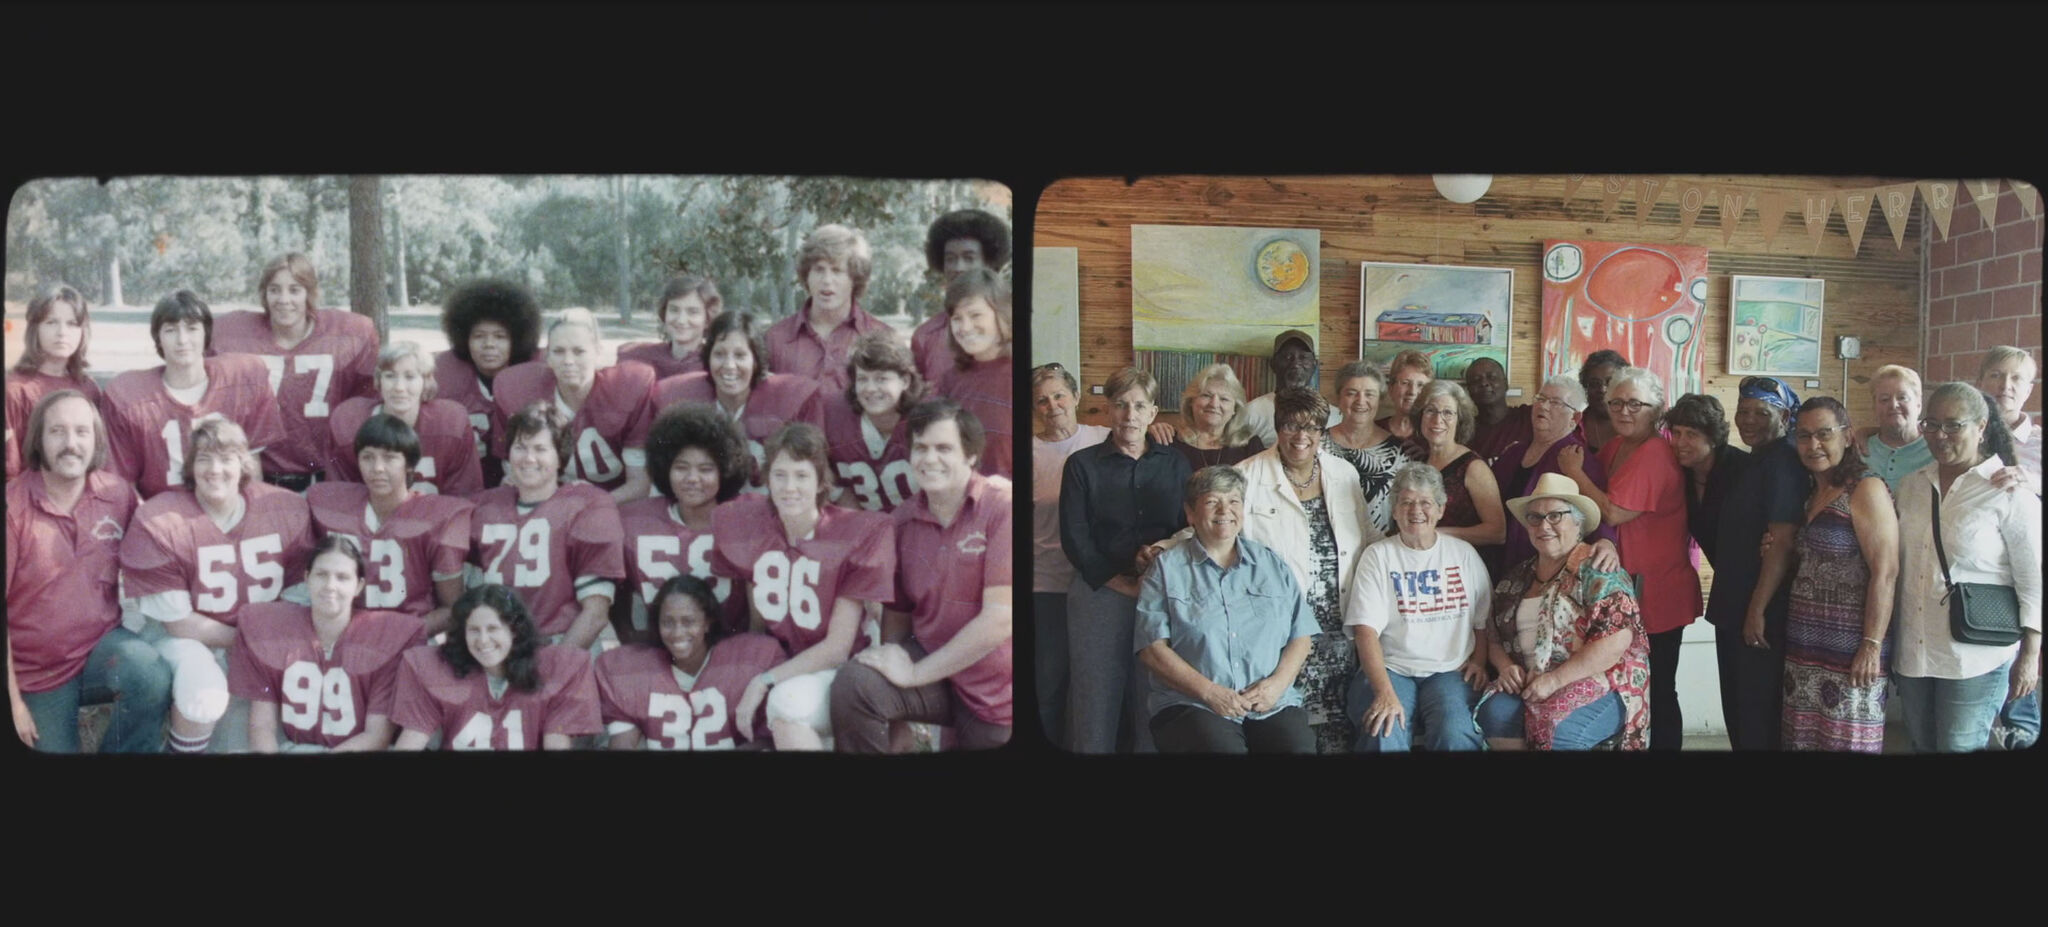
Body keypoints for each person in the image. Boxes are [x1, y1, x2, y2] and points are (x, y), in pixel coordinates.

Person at [119, 418, 315, 754]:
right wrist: (253, 645)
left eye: (226, 459)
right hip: (185, 639)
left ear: (244, 464)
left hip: (257, 638)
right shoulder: (161, 520)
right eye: (204, 459)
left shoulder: (284, 507)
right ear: (191, 467)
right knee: (203, 693)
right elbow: (178, 622)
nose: (215, 470)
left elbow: (298, 594)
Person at [833, 400, 1014, 752]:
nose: (930, 459)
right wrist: (896, 715)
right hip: (936, 676)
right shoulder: (901, 521)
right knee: (856, 684)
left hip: (994, 689)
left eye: (944, 448)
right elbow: (896, 621)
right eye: (921, 448)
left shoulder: (1001, 507)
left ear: (971, 455)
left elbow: (1000, 619)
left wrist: (915, 675)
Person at [708, 422, 896, 751]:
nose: (789, 487)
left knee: (786, 702)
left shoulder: (852, 532)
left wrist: (763, 681)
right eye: (780, 475)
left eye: (801, 475)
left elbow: (838, 647)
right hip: (786, 666)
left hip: (843, 674)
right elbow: (758, 623)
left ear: (821, 481)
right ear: (766, 478)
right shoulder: (753, 529)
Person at [7, 390, 170, 753]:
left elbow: (160, 550)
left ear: (96, 439)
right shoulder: (12, 507)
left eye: (82, 432)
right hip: (37, 674)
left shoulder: (117, 494)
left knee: (149, 673)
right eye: (58, 432)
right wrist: (14, 702)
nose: (71, 444)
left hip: (101, 651)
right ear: (38, 438)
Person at [1892, 384, 2040, 752]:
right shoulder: (1911, 485)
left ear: (1982, 426)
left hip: (1975, 656)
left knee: (1959, 747)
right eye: (1931, 424)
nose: (1940, 436)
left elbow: (2033, 578)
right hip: (1913, 651)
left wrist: (2030, 655)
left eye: (1954, 425)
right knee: (1921, 745)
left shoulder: (2007, 491)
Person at [1236, 387, 1383, 752]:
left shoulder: (1343, 473)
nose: (1302, 437)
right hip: (1281, 631)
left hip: (1338, 626)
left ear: (1322, 432)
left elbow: (1368, 538)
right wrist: (1164, 548)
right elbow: (1214, 530)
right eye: (1292, 426)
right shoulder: (1245, 476)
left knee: (1339, 724)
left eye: (1312, 428)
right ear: (1277, 426)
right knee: (1289, 728)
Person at [1559, 365, 1698, 750]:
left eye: (1635, 403)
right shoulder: (1620, 446)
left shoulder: (1654, 452)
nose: (1624, 411)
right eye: (1617, 402)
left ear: (1657, 409)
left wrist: (1572, 471)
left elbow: (1614, 511)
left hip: (1659, 591)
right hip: (1631, 588)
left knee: (1657, 689)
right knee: (1633, 686)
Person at [1136, 465, 1319, 754]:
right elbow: (1151, 649)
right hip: (1193, 704)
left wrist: (1276, 685)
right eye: (1211, 502)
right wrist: (1210, 693)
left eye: (1233, 501)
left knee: (1297, 746)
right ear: (1191, 513)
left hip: (1270, 704)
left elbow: (1302, 635)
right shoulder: (1166, 569)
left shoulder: (1271, 564)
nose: (1225, 510)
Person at [1060, 367, 1191, 753]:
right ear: (1107, 411)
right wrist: (1119, 582)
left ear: (1153, 412)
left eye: (1138, 406)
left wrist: (1161, 551)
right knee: (1095, 696)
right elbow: (1075, 536)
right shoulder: (1082, 465)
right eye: (1120, 405)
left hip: (1161, 593)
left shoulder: (1175, 463)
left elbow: (1188, 526)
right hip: (1099, 591)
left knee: (1154, 695)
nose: (1129, 415)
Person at [1478, 473, 1651, 750]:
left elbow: (1615, 642)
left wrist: (1555, 680)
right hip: (1532, 680)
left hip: (1601, 680)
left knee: (1557, 729)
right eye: (1534, 517)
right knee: (1495, 714)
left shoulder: (1599, 570)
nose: (1544, 525)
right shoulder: (1517, 577)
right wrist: (1505, 666)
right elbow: (1494, 636)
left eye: (1556, 516)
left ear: (1578, 523)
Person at [227, 536, 425, 752]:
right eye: (322, 575)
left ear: (358, 586)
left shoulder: (383, 640)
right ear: (306, 578)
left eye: (342, 577)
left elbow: (376, 735)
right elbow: (262, 725)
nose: (330, 586)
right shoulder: (274, 630)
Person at [1343, 462, 1491, 752]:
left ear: (1440, 510)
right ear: (1394, 510)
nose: (1416, 510)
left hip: (1450, 669)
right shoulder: (1378, 556)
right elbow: (1365, 631)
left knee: (1455, 732)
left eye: (1425, 502)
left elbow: (1482, 621)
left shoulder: (1463, 554)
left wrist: (1480, 661)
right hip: (1392, 668)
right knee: (1384, 727)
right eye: (1406, 502)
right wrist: (1385, 692)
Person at [1779, 397, 1898, 752]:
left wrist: (1871, 645)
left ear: (1847, 436)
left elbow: (1886, 572)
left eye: (1824, 434)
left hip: (1851, 652)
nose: (1813, 445)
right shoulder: (1811, 491)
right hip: (1804, 645)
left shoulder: (1866, 489)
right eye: (1803, 436)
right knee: (1801, 741)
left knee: (1846, 743)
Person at [210, 253, 380, 490]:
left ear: (309, 294)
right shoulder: (231, 333)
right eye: (275, 290)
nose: (284, 299)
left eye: (294, 290)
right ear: (264, 294)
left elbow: (367, 403)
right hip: (261, 477)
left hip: (325, 479)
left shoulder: (350, 334)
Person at [101, 290, 288, 500]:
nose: (182, 340)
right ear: (158, 337)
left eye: (191, 329)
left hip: (227, 509)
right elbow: (125, 483)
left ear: (206, 333)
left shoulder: (241, 379)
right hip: (165, 517)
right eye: (171, 330)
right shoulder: (129, 396)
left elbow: (251, 466)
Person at [469, 402, 625, 651]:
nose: (529, 458)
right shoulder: (486, 505)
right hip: (496, 650)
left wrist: (556, 667)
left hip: (561, 644)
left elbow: (595, 614)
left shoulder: (586, 505)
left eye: (540, 449)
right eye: (520, 447)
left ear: (559, 456)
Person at [1666, 392, 1771, 749]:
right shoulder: (1680, 475)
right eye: (1676, 433)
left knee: (1756, 698)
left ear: (1713, 436)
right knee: (1732, 695)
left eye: (1691, 434)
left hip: (1763, 596)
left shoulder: (1743, 470)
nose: (1681, 443)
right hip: (1727, 597)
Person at [307, 415, 473, 636]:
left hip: (411, 637)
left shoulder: (436, 516)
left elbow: (452, 608)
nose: (377, 468)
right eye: (368, 457)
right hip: (348, 636)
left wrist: (403, 635)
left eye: (389, 458)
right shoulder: (331, 504)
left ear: (410, 465)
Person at [389, 583, 603, 750]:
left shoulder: (552, 670)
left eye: (493, 629)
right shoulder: (439, 668)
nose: (483, 640)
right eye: (474, 630)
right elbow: (412, 740)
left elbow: (556, 744)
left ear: (514, 630)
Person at [595, 574, 786, 750]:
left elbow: (770, 739)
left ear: (707, 622)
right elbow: (622, 745)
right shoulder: (636, 671)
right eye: (667, 622)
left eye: (688, 622)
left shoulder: (748, 659)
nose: (678, 633)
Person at [617, 404, 753, 644]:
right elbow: (615, 592)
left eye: (705, 469)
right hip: (662, 652)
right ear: (665, 468)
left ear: (725, 470)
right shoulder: (634, 521)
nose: (692, 479)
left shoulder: (745, 519)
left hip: (732, 651)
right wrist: (627, 634)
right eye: (681, 468)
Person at [491, 308, 656, 504]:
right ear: (548, 357)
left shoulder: (628, 387)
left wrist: (590, 508)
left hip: (616, 504)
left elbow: (640, 484)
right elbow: (515, 478)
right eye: (559, 351)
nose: (568, 361)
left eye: (579, 351)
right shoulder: (519, 389)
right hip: (548, 505)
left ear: (597, 352)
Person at [1030, 362, 1108, 747]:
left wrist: (1163, 429)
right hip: (1047, 584)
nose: (1052, 405)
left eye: (1059, 395)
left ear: (1076, 397)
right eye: (1042, 401)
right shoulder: (1026, 451)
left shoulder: (1104, 438)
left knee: (1094, 682)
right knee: (1049, 681)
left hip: (1101, 583)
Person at [1725, 375, 1805, 748]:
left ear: (1785, 415)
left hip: (1760, 610)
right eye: (1743, 411)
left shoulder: (1783, 462)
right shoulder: (1758, 459)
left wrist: (1756, 610)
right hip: (1739, 603)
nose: (1749, 420)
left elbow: (1783, 541)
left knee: (1757, 715)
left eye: (1761, 411)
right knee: (1741, 712)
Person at [650, 310, 824, 481]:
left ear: (756, 361)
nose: (729, 365)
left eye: (740, 355)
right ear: (707, 357)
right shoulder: (681, 398)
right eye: (719, 354)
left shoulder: (790, 398)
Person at [324, 341, 484, 495]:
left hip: (434, 521)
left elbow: (464, 495)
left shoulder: (450, 422)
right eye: (390, 376)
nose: (399, 388)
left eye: (410, 377)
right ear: (378, 380)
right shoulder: (351, 421)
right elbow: (342, 497)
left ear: (426, 382)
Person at [1493, 376, 1617, 573]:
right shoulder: (1513, 453)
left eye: (1555, 402)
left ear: (1574, 418)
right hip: (1500, 562)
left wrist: (1607, 542)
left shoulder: (1578, 458)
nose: (1543, 406)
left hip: (1547, 569)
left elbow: (1594, 513)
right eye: (1540, 399)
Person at [434, 278, 544, 490]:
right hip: (465, 481)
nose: (489, 345)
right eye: (479, 336)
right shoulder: (445, 374)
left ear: (517, 339)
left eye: (500, 336)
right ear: (464, 338)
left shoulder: (535, 375)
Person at [1158, 329, 1337, 449]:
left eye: (1303, 357)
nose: (1296, 363)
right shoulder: (1252, 411)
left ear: (1314, 364)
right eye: (1288, 356)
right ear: (1273, 364)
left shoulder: (1335, 415)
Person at [764, 224, 892, 392]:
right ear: (806, 275)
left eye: (837, 271)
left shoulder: (883, 338)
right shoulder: (775, 339)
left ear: (855, 278)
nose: (826, 280)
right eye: (819, 270)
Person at [5, 285, 103, 481]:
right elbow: (10, 471)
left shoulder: (88, 388)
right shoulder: (15, 389)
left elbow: (96, 457)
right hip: (28, 498)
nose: (62, 332)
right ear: (35, 329)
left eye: (72, 324)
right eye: (51, 322)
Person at [822, 330, 924, 513]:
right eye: (862, 379)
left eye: (881, 378)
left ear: (905, 381)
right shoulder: (834, 416)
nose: (870, 388)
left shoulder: (927, 420)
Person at [929, 267, 1014, 479]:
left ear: (1002, 315)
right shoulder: (950, 381)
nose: (965, 327)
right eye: (957, 318)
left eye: (975, 315)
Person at [912, 208, 1011, 383]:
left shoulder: (1010, 326)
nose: (958, 267)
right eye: (950, 258)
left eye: (969, 257)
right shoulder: (925, 336)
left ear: (988, 262)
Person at [1410, 380, 1507, 554]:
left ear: (1459, 420)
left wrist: (1437, 534)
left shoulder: (1473, 467)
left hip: (1465, 566)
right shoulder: (1420, 464)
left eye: (1448, 413)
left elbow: (1497, 532)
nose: (1437, 420)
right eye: (1430, 410)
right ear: (1420, 416)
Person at [1322, 360, 1412, 537]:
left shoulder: (1400, 452)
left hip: (1379, 552)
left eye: (1369, 394)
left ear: (1380, 399)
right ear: (1338, 398)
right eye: (1351, 393)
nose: (1360, 401)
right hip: (1327, 548)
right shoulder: (1316, 445)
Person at [617, 274, 723, 380]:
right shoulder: (639, 357)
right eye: (674, 310)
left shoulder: (714, 364)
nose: (681, 320)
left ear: (708, 319)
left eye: (692, 312)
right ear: (665, 312)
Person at [1165, 363, 1264, 471]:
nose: (1214, 404)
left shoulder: (1250, 446)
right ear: (1191, 402)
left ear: (1235, 408)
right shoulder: (1169, 440)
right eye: (1206, 395)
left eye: (1224, 399)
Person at [1857, 364, 1934, 493]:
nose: (1893, 405)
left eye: (1902, 397)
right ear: (1874, 407)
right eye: (1884, 399)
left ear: (1918, 404)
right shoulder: (1859, 450)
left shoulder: (1935, 450)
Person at [1978, 345, 2041, 495]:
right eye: (1995, 375)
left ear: (2028, 390)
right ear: (1980, 383)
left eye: (2016, 378)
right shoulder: (1963, 434)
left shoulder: (2039, 444)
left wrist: (2036, 484)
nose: (2005, 385)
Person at [1464, 356, 1528, 471]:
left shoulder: (1528, 417)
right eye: (1476, 380)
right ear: (1469, 391)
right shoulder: (1464, 431)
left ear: (1506, 384)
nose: (1484, 383)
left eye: (1492, 377)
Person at [1380, 349, 1434, 456]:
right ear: (1391, 388)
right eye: (1405, 383)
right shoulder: (1374, 429)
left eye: (1420, 385)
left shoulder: (1436, 433)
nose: (1412, 392)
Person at [1575, 349, 1628, 453]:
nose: (1602, 389)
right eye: (1594, 383)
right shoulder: (1573, 427)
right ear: (1585, 387)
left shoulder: (1638, 429)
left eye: (1610, 382)